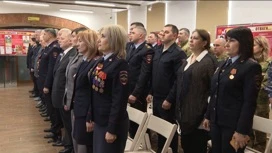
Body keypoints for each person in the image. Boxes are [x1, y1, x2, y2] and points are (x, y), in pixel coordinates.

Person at [203, 27, 262, 153]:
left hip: (233, 126)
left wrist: (242, 130)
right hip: (217, 121)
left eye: (232, 40)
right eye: (227, 40)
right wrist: (208, 116)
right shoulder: (224, 64)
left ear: (243, 43)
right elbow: (215, 93)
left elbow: (249, 102)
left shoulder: (250, 66)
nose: (227, 44)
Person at [167, 29, 217, 153]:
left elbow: (213, 90)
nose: (191, 40)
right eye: (191, 38)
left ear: (204, 42)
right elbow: (179, 81)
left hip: (199, 114)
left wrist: (207, 115)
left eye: (195, 38)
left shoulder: (208, 62)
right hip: (184, 112)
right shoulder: (188, 59)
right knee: (186, 145)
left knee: (196, 147)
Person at [147, 24, 187, 153]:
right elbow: (155, 74)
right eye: (162, 31)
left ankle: (171, 150)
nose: (162, 33)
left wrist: (170, 99)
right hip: (156, 96)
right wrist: (150, 92)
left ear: (175, 36)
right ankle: (161, 150)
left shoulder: (178, 53)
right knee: (159, 128)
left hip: (168, 99)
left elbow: (178, 79)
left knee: (169, 129)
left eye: (167, 32)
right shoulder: (158, 50)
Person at [90, 25, 129, 153]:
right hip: (100, 119)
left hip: (110, 122)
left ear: (113, 40)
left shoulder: (120, 65)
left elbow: (119, 101)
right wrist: (91, 116)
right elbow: (95, 93)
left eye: (103, 36)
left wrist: (112, 129)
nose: (98, 40)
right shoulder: (102, 61)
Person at [72, 29, 100, 153]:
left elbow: (93, 93)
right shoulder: (85, 61)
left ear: (89, 43)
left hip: (86, 111)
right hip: (79, 108)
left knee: (88, 145)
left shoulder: (95, 62)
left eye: (80, 41)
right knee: (81, 141)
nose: (77, 44)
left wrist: (90, 117)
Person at [51, 28, 77, 153]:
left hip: (65, 95)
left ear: (71, 41)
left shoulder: (72, 54)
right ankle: (68, 144)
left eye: (63, 38)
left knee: (68, 123)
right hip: (60, 94)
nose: (59, 40)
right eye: (59, 37)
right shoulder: (64, 53)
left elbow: (69, 80)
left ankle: (71, 147)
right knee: (66, 123)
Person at [63, 26, 87, 153]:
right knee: (75, 134)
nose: (71, 39)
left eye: (73, 36)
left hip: (80, 104)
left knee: (80, 139)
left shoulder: (86, 58)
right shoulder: (77, 55)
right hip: (73, 102)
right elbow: (69, 81)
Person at [126, 25, 154, 137]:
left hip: (138, 91)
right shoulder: (130, 47)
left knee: (139, 121)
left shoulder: (147, 50)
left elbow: (144, 74)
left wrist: (135, 93)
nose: (130, 34)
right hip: (128, 87)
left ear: (141, 35)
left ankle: (142, 144)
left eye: (133, 32)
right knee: (130, 120)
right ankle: (133, 141)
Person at [38, 28, 62, 142]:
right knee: (50, 109)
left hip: (49, 83)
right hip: (44, 80)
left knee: (53, 110)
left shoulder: (54, 48)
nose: (43, 36)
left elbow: (51, 69)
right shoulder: (49, 47)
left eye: (45, 34)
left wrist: (47, 85)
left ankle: (56, 133)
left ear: (50, 35)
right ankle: (54, 128)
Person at [248, 36, 271, 152]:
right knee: (248, 132)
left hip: (261, 103)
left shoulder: (268, 63)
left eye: (254, 45)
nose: (251, 48)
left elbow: (266, 84)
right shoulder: (249, 62)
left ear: (261, 47)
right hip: (248, 102)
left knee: (260, 135)